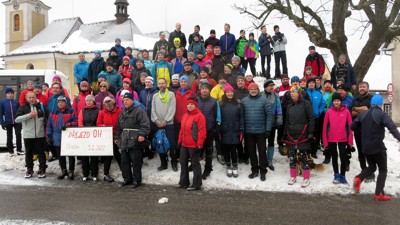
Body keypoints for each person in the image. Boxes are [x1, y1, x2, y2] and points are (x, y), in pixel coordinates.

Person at [351, 93, 400, 201]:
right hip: (377, 146)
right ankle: (378, 194)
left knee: (372, 167)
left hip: (366, 146)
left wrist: (363, 132)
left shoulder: (363, 114)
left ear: (371, 103)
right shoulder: (381, 114)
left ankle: (359, 178)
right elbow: (392, 128)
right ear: (380, 104)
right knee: (383, 169)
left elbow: (352, 126)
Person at [115, 92, 151, 188]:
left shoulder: (139, 111)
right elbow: (118, 126)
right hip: (124, 139)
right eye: (124, 100)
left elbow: (145, 124)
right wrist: (117, 137)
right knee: (124, 161)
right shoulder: (122, 112)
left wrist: (142, 134)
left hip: (135, 139)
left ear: (132, 100)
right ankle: (127, 179)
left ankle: (136, 180)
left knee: (136, 161)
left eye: (127, 100)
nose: (125, 102)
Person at [283, 85, 314, 187]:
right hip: (291, 135)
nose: (292, 94)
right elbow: (286, 121)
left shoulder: (306, 103)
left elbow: (311, 119)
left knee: (304, 157)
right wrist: (285, 133)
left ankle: (306, 178)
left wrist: (310, 132)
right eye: (291, 92)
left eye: (294, 92)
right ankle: (293, 176)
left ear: (299, 93)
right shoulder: (289, 105)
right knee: (292, 157)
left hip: (303, 134)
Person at [242, 83, 272, 181]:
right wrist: (242, 129)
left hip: (261, 132)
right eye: (251, 89)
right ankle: (254, 170)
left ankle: (263, 171)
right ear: (249, 90)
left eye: (255, 89)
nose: (253, 91)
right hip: (249, 132)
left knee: (262, 152)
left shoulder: (264, 100)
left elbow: (269, 116)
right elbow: (241, 117)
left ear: (258, 90)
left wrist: (268, 129)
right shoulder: (244, 101)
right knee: (251, 152)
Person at [322, 92, 353, 184]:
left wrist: (350, 141)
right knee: (334, 158)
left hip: (343, 138)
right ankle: (336, 174)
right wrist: (325, 141)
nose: (336, 102)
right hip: (331, 138)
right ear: (332, 102)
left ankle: (343, 176)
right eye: (335, 101)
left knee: (343, 158)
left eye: (338, 100)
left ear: (341, 101)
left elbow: (350, 127)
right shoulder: (329, 112)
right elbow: (325, 127)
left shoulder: (346, 112)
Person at [15, 92, 48, 178]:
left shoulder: (40, 106)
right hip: (28, 135)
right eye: (29, 97)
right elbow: (17, 119)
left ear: (35, 97)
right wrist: (29, 115)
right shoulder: (23, 107)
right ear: (26, 98)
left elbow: (46, 118)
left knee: (41, 153)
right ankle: (29, 169)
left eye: (33, 97)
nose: (31, 99)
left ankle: (42, 169)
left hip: (40, 135)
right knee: (28, 153)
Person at [177, 97, 207, 191]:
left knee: (195, 164)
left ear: (195, 105)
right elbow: (182, 130)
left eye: (192, 104)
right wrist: (179, 141)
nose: (190, 106)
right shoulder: (185, 115)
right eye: (188, 104)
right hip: (184, 144)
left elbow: (202, 132)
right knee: (183, 163)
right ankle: (183, 182)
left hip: (194, 145)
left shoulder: (199, 116)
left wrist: (199, 144)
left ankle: (197, 184)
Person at [48, 96, 77, 180]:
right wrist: (49, 135)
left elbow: (76, 122)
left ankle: (71, 171)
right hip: (57, 137)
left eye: (62, 102)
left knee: (71, 155)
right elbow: (49, 125)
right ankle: (63, 170)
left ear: (65, 103)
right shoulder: (53, 112)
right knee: (60, 156)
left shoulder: (71, 111)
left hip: (69, 137)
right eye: (59, 102)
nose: (60, 103)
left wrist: (68, 125)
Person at [350, 81, 375, 182]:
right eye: (360, 87)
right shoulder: (355, 99)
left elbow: (367, 109)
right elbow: (351, 112)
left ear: (368, 88)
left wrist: (356, 109)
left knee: (369, 151)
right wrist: (360, 110)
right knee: (361, 152)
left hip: (369, 129)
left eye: (364, 87)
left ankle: (371, 172)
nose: (361, 88)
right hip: (358, 129)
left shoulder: (371, 98)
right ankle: (364, 171)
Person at [151, 78, 176, 171]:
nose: (161, 85)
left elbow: (172, 108)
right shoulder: (155, 96)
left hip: (169, 123)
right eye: (159, 83)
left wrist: (166, 120)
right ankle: (163, 163)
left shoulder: (171, 95)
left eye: (163, 83)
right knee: (160, 143)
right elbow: (153, 109)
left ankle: (173, 162)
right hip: (158, 124)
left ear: (166, 84)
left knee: (172, 143)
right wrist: (156, 120)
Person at [197, 83, 221, 179]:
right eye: (202, 88)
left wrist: (217, 128)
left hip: (209, 129)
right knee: (197, 149)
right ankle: (195, 165)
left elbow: (218, 116)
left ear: (209, 90)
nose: (204, 90)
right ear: (200, 90)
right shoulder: (196, 101)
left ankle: (208, 168)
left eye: (206, 89)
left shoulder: (214, 101)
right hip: (197, 130)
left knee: (208, 149)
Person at [96, 96, 122, 182]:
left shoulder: (119, 111)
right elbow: (98, 123)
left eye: (110, 106)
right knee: (109, 155)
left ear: (113, 104)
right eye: (107, 106)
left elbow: (121, 122)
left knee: (117, 153)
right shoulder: (102, 112)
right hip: (107, 136)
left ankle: (124, 170)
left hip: (117, 135)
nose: (109, 108)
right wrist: (104, 126)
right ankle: (106, 174)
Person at [220, 85, 243, 178]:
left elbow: (241, 117)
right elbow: (219, 116)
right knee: (226, 148)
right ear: (225, 93)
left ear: (233, 93)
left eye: (231, 92)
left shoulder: (238, 103)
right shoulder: (221, 103)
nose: (230, 93)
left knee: (234, 149)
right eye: (228, 92)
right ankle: (228, 165)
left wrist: (241, 128)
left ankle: (235, 165)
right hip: (224, 129)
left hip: (235, 129)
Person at [262, 79, 283, 170]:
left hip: (272, 123)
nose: (271, 87)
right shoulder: (260, 95)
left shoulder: (275, 96)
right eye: (270, 85)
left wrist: (279, 121)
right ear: (265, 86)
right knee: (261, 143)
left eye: (272, 86)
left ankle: (269, 160)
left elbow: (279, 109)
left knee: (271, 142)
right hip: (262, 123)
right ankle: (263, 160)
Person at [173, 76, 193, 168]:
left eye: (185, 81)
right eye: (182, 81)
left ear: (187, 83)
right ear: (179, 83)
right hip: (177, 119)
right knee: (178, 138)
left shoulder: (191, 92)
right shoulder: (175, 92)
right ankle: (178, 155)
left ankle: (188, 156)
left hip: (187, 119)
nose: (183, 83)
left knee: (187, 137)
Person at [305, 78, 325, 159]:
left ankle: (313, 151)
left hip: (316, 117)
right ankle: (306, 150)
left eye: (313, 83)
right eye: (310, 83)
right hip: (306, 118)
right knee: (306, 134)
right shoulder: (304, 92)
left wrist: (319, 112)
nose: (311, 84)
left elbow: (323, 104)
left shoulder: (319, 93)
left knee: (315, 134)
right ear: (307, 84)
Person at [139, 76, 158, 159]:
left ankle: (153, 150)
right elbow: (140, 103)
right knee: (145, 133)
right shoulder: (142, 92)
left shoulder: (156, 92)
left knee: (152, 134)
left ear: (152, 83)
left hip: (153, 116)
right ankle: (146, 150)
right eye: (146, 82)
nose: (147, 83)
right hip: (144, 116)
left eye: (149, 82)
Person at [0, 88, 23, 155]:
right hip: (8, 122)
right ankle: (10, 150)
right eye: (8, 93)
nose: (10, 94)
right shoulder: (2, 102)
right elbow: (0, 114)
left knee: (18, 135)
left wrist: (20, 121)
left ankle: (19, 149)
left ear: (13, 94)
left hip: (17, 122)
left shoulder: (16, 102)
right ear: (6, 94)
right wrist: (2, 123)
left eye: (11, 93)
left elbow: (19, 112)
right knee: (9, 136)